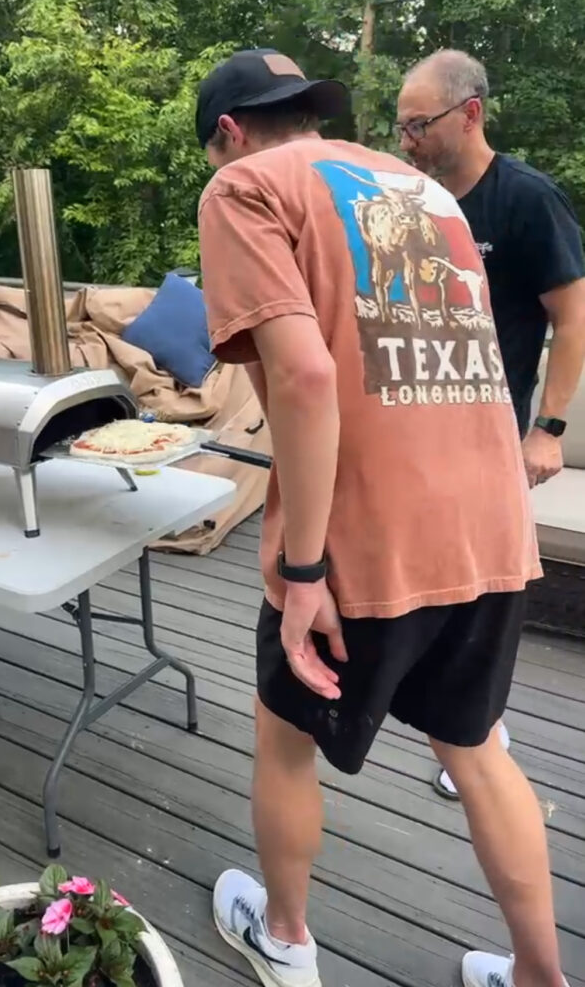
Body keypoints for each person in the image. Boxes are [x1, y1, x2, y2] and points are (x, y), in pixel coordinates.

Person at [195, 48, 568, 987]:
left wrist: (305, 568)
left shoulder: (243, 187)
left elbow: (307, 375)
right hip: (487, 523)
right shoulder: (415, 184)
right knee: (477, 749)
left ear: (229, 134)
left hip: (366, 535)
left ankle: (283, 939)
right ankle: (539, 975)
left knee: (284, 740)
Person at [397, 49, 585, 802]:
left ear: (468, 113)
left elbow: (571, 321)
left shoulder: (525, 200)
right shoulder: (413, 199)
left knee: (478, 591)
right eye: (400, 125)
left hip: (491, 436)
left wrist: (547, 429)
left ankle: (479, 734)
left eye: (419, 124)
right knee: (429, 578)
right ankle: (449, 718)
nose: (406, 139)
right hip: (417, 430)